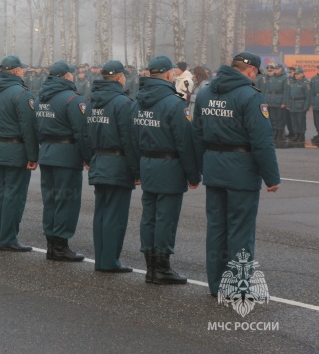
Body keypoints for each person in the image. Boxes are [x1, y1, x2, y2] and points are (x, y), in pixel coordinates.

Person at [192, 51, 280, 298]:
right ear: (251, 71)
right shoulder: (250, 96)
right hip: (241, 171)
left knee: (217, 228)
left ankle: (217, 284)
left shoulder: (206, 93)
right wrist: (271, 177)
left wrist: (199, 169)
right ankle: (239, 287)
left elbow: (196, 135)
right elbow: (261, 141)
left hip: (213, 167)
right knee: (241, 230)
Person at [130, 56, 201, 284]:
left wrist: (136, 170)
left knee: (149, 217)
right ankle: (162, 268)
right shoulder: (174, 103)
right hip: (169, 167)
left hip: (147, 164)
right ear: (169, 75)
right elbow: (184, 142)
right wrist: (193, 174)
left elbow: (133, 139)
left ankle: (151, 268)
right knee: (166, 219)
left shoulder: (137, 102)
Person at [35, 60, 92, 261]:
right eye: (71, 74)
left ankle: (52, 244)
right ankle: (60, 246)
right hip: (66, 155)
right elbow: (81, 132)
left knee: (50, 200)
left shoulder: (41, 97)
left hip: (47, 152)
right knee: (66, 201)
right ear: (66, 76)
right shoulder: (72, 99)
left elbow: (36, 126)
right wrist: (88, 157)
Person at [86, 60, 139, 272]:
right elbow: (129, 139)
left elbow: (85, 134)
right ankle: (109, 261)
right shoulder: (123, 103)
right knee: (115, 216)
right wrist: (136, 169)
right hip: (118, 163)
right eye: (124, 75)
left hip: (99, 159)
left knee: (101, 213)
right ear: (118, 77)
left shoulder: (91, 102)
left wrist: (90, 158)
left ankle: (101, 259)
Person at [0, 55, 38, 252]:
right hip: (16, 150)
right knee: (13, 195)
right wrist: (33, 156)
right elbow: (28, 128)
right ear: (16, 71)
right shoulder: (21, 94)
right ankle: (8, 238)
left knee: (0, 192)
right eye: (23, 69)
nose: (25, 71)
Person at [263, 63, 288, 144]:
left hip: (280, 101)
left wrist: (284, 102)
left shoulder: (284, 78)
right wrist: (266, 101)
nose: (276, 70)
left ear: (281, 69)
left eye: (277, 69)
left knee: (280, 119)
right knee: (273, 119)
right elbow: (267, 91)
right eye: (275, 69)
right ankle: (274, 133)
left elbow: (286, 91)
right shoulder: (271, 78)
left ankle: (280, 134)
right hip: (272, 101)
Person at [285, 66, 310, 144]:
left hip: (300, 104)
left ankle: (301, 135)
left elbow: (308, 96)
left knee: (300, 121)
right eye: (295, 74)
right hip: (292, 104)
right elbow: (288, 94)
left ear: (302, 74)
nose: (296, 75)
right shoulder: (292, 82)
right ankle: (296, 135)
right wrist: (288, 104)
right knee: (294, 121)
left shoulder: (305, 83)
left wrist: (306, 106)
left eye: (298, 74)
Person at [311, 72, 319, 145]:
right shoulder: (314, 79)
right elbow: (311, 92)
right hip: (316, 101)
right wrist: (312, 101)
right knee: (316, 120)